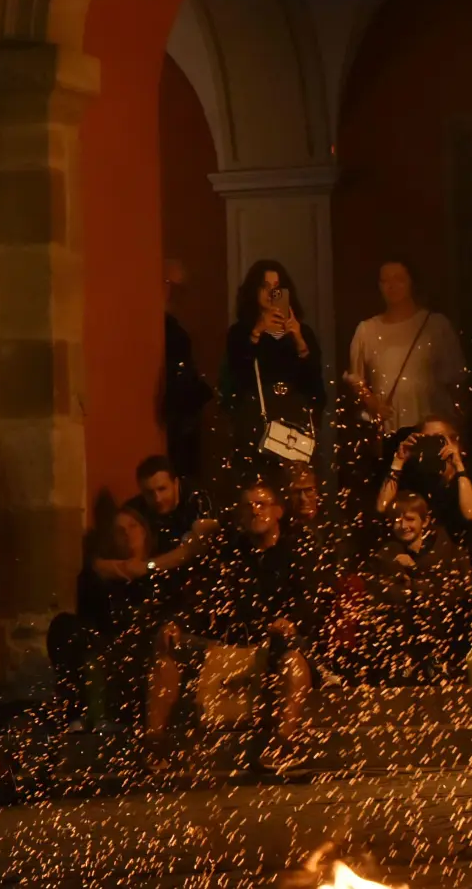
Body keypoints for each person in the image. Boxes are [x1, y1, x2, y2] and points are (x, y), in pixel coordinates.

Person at [144, 482, 329, 771]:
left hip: (275, 642)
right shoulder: (229, 553)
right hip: (228, 642)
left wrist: (291, 623)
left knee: (292, 659)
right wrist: (176, 623)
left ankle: (284, 742)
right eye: (248, 506)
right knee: (167, 644)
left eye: (261, 504)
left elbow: (308, 604)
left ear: (278, 511)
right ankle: (155, 742)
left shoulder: (296, 552)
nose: (255, 511)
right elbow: (201, 597)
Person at [340, 493, 472, 684]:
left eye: (410, 519)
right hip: (400, 643)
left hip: (442, 638)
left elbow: (449, 593)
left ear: (425, 522)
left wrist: (413, 575)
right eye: (397, 520)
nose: (403, 526)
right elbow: (384, 594)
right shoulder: (387, 555)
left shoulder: (446, 552)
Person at [47, 505, 157, 732]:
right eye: (119, 530)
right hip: (104, 639)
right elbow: (91, 614)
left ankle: (109, 716)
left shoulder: (157, 570)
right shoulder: (101, 576)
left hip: (140, 644)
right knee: (65, 626)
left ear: (144, 531)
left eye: (133, 526)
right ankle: (75, 717)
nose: (127, 533)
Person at [221, 260, 326, 474]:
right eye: (265, 287)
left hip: (294, 422)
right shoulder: (240, 332)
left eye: (277, 288)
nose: (271, 293)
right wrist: (257, 332)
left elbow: (315, 383)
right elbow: (237, 375)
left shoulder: (301, 332)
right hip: (257, 421)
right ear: (254, 291)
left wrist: (299, 340)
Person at [344, 260, 466, 436]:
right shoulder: (367, 331)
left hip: (431, 428)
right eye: (385, 281)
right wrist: (373, 404)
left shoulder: (435, 326)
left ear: (412, 283)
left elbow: (456, 379)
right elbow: (356, 380)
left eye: (399, 279)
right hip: (391, 429)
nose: (392, 286)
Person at [376, 415, 472, 550]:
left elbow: (471, 514)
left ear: (454, 442)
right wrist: (398, 461)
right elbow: (382, 508)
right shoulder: (414, 477)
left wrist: (458, 465)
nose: (432, 444)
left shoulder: (468, 477)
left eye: (438, 438)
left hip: (458, 557)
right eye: (426, 439)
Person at [161, 259, 213, 479]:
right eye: (167, 284)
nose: (172, 293)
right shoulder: (167, 331)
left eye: (178, 288)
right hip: (172, 427)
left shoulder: (177, 332)